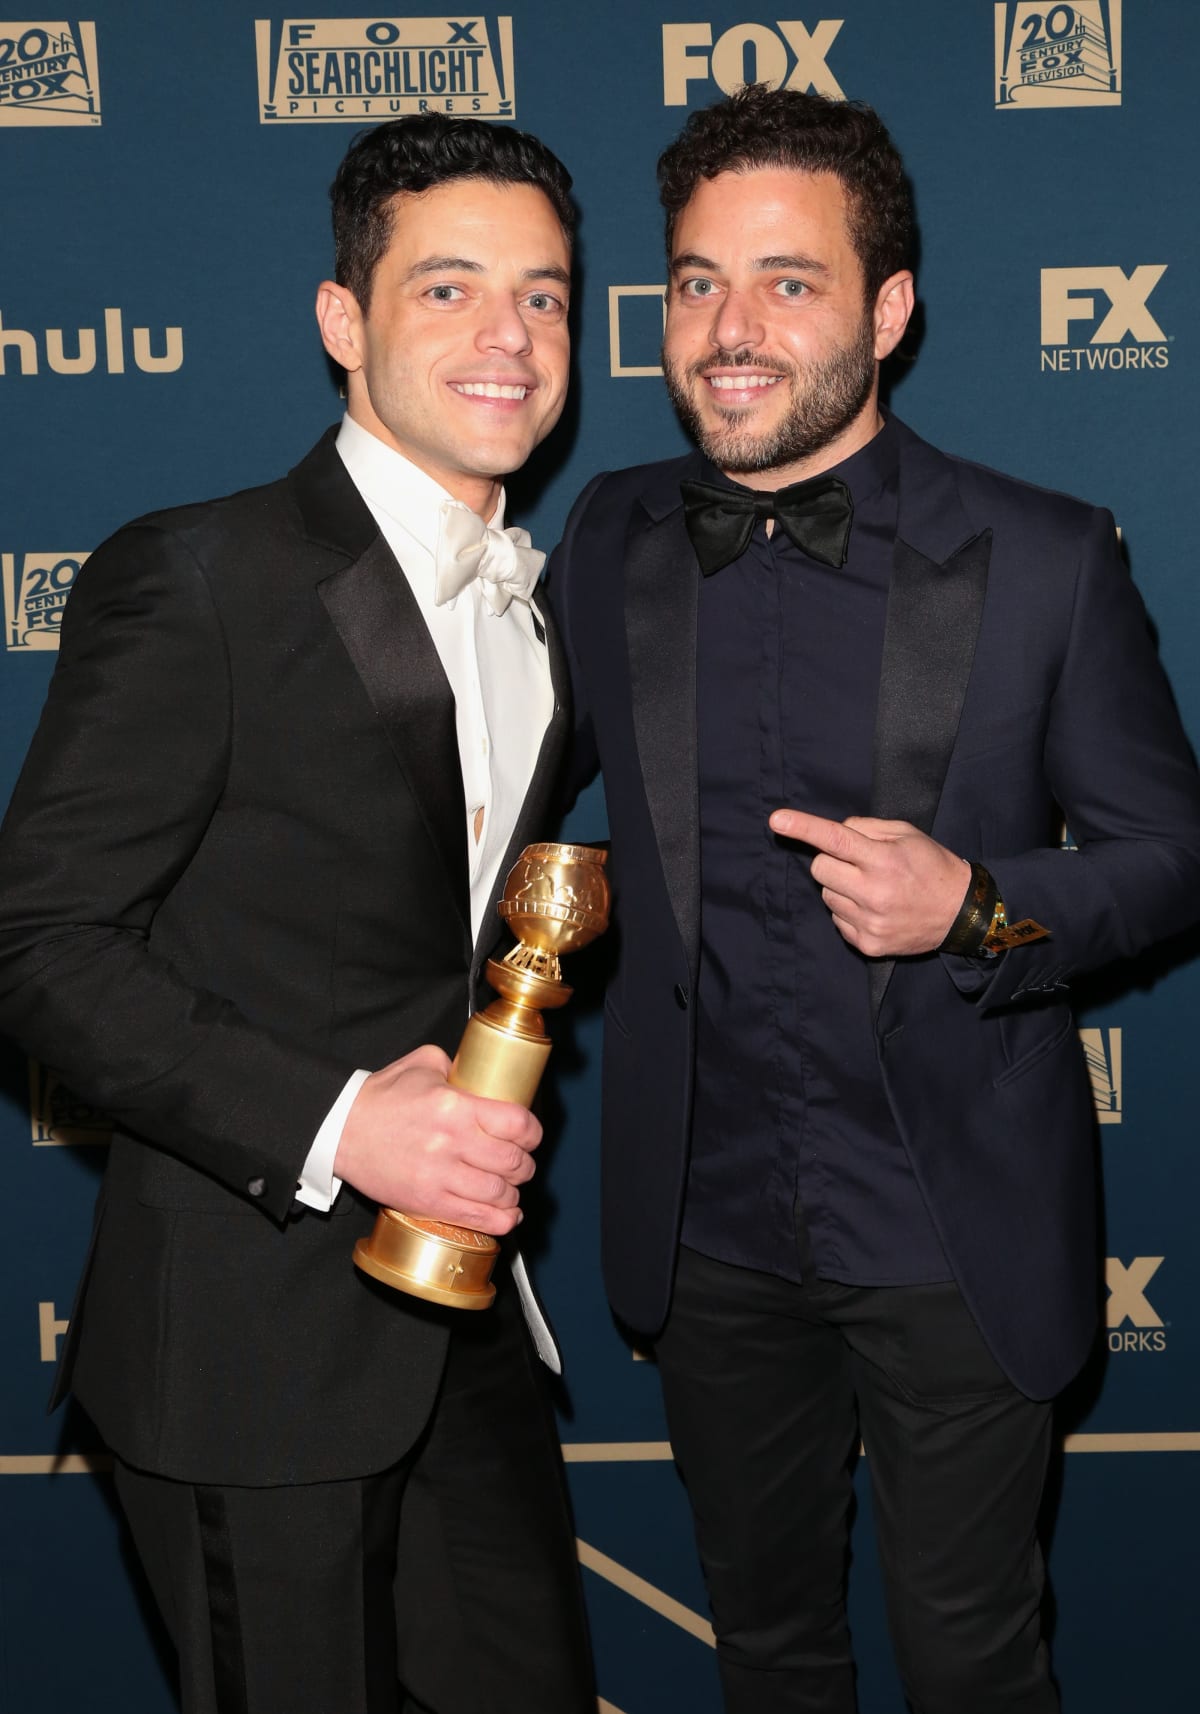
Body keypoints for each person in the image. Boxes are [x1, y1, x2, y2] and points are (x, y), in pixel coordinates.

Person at [547, 84, 1200, 1713]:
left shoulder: (1044, 557)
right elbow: (492, 786)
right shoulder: (612, 532)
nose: (730, 329)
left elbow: (1168, 853)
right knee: (768, 1650)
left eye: (789, 280)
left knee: (974, 1659)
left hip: (948, 1219)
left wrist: (979, 902)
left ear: (888, 309)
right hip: (705, 1229)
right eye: (697, 280)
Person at [0, 116, 593, 1714]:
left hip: (469, 1326)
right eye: (450, 288)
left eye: (543, 297)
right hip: (250, 1355)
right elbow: (38, 942)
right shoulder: (200, 575)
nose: (507, 338)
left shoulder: (548, 611)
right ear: (345, 321)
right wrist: (339, 1121)